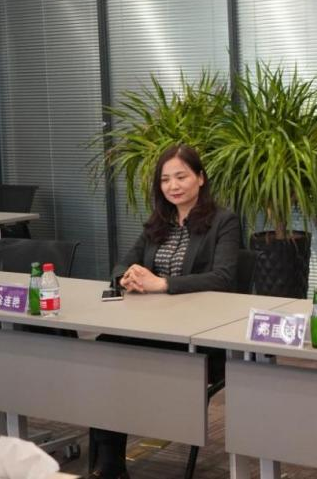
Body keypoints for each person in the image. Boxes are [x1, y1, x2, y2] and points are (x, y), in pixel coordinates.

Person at [90, 144, 240, 479]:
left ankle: (116, 455)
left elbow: (223, 277)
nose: (173, 186)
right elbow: (122, 263)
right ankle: (111, 462)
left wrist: (162, 283)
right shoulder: (159, 221)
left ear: (200, 178)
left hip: (199, 333)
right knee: (103, 347)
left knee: (118, 354)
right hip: (153, 326)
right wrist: (127, 276)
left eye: (181, 177)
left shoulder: (223, 221)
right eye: (165, 179)